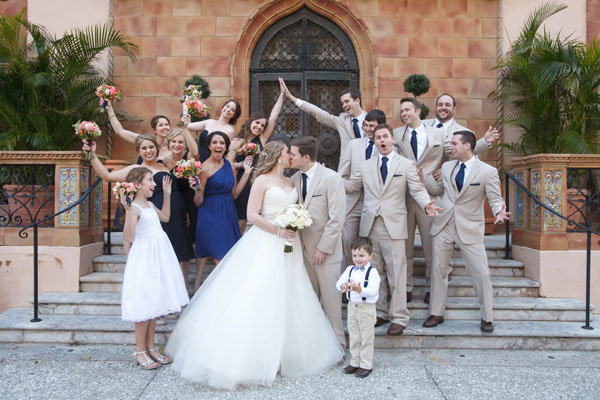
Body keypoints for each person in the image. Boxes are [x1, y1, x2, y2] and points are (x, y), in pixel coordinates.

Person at [166, 141, 343, 390]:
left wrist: (293, 225)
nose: (289, 156)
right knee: (260, 295)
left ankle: (286, 354)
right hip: (267, 243)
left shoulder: (291, 181)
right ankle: (255, 356)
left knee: (291, 296)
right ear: (277, 157)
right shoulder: (260, 181)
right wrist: (279, 230)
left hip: (290, 249)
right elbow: (252, 216)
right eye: (286, 153)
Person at [393, 97, 500, 304]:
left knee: (431, 247)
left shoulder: (439, 134)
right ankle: (405, 287)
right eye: (402, 110)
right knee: (404, 247)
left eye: (407, 109)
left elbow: (459, 152)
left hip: (431, 197)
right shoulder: (397, 133)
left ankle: (431, 288)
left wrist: (483, 143)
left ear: (417, 111)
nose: (404, 113)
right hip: (404, 195)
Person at [344, 124, 441, 335]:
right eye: (378, 138)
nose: (382, 140)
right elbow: (351, 186)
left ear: (392, 139)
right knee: (374, 271)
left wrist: (426, 204)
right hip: (370, 225)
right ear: (374, 141)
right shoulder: (366, 165)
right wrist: (329, 178)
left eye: (385, 136)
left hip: (394, 225)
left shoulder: (406, 165)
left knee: (397, 272)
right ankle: (380, 312)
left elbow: (416, 188)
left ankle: (399, 317)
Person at [422, 130, 510, 333]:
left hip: (469, 227)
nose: (450, 147)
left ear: (467, 146)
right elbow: (439, 190)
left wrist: (499, 211)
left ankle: (487, 317)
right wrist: (424, 180)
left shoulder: (487, 172)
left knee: (481, 273)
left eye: (453, 144)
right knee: (438, 271)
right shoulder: (446, 167)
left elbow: (495, 198)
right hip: (444, 225)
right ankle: (436, 313)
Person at [85, 135, 195, 267]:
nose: (148, 151)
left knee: (178, 255)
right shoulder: (136, 169)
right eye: (144, 148)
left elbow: (179, 187)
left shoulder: (164, 164)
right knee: (162, 257)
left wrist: (184, 211)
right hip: (157, 215)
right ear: (138, 151)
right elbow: (107, 176)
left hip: (175, 214)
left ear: (157, 148)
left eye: (151, 147)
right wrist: (92, 155)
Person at [119, 167, 189, 370]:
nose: (154, 184)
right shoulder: (135, 209)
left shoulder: (149, 204)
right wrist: (128, 208)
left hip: (159, 256)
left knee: (154, 305)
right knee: (144, 304)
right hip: (145, 258)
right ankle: (140, 349)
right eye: (150, 180)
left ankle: (150, 346)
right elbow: (130, 237)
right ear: (138, 185)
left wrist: (166, 195)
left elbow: (166, 217)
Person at [289, 136, 346, 347]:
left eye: (292, 154)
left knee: (331, 301)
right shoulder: (294, 178)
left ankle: (338, 344)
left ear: (306, 157)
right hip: (300, 251)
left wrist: (323, 248)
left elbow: (337, 218)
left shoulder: (332, 178)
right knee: (309, 301)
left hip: (325, 252)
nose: (289, 157)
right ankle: (316, 346)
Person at [190, 131, 251, 292]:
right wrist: (196, 189)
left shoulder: (229, 165)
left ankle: (221, 293)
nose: (218, 146)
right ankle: (216, 291)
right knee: (219, 258)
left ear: (226, 147)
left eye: (222, 143)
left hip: (228, 213)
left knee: (228, 256)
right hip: (210, 214)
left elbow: (235, 194)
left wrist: (247, 173)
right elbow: (198, 202)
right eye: (215, 142)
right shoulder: (203, 168)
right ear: (209, 146)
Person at [229, 86, 284, 233]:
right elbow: (228, 164)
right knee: (240, 221)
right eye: (257, 123)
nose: (259, 127)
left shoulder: (262, 139)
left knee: (256, 219)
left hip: (257, 181)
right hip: (241, 181)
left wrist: (282, 95)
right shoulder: (236, 141)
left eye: (262, 125)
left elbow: (273, 117)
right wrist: (242, 164)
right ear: (250, 122)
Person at [338, 109, 386, 268]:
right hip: (353, 202)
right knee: (347, 241)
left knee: (372, 245)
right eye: (366, 125)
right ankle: (347, 280)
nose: (368, 129)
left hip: (376, 203)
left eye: (372, 126)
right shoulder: (353, 145)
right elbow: (343, 172)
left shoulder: (388, 147)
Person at [279, 77, 366, 158]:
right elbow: (319, 113)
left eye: (347, 101)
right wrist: (291, 97)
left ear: (357, 100)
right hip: (349, 169)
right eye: (342, 103)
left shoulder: (372, 120)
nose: (344, 105)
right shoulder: (342, 121)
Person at [161, 127, 199, 293]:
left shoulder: (189, 158)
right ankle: (175, 284)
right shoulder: (162, 161)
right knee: (177, 243)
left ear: (185, 145)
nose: (177, 145)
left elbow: (197, 153)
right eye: (174, 141)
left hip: (191, 203)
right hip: (175, 206)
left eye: (180, 142)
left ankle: (185, 282)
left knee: (189, 243)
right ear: (169, 143)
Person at [337, 237, 380, 379]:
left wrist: (359, 289)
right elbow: (339, 283)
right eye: (355, 256)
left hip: (366, 308)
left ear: (370, 256)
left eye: (362, 256)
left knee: (366, 337)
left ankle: (366, 364)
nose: (358, 259)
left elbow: (373, 291)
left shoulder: (372, 272)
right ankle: (355, 362)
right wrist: (343, 286)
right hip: (352, 307)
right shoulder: (350, 270)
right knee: (354, 335)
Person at [104, 99, 175, 163]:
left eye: (166, 124)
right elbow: (120, 131)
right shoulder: (145, 140)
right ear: (155, 130)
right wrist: (110, 111)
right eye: (161, 125)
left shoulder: (173, 146)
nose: (165, 127)